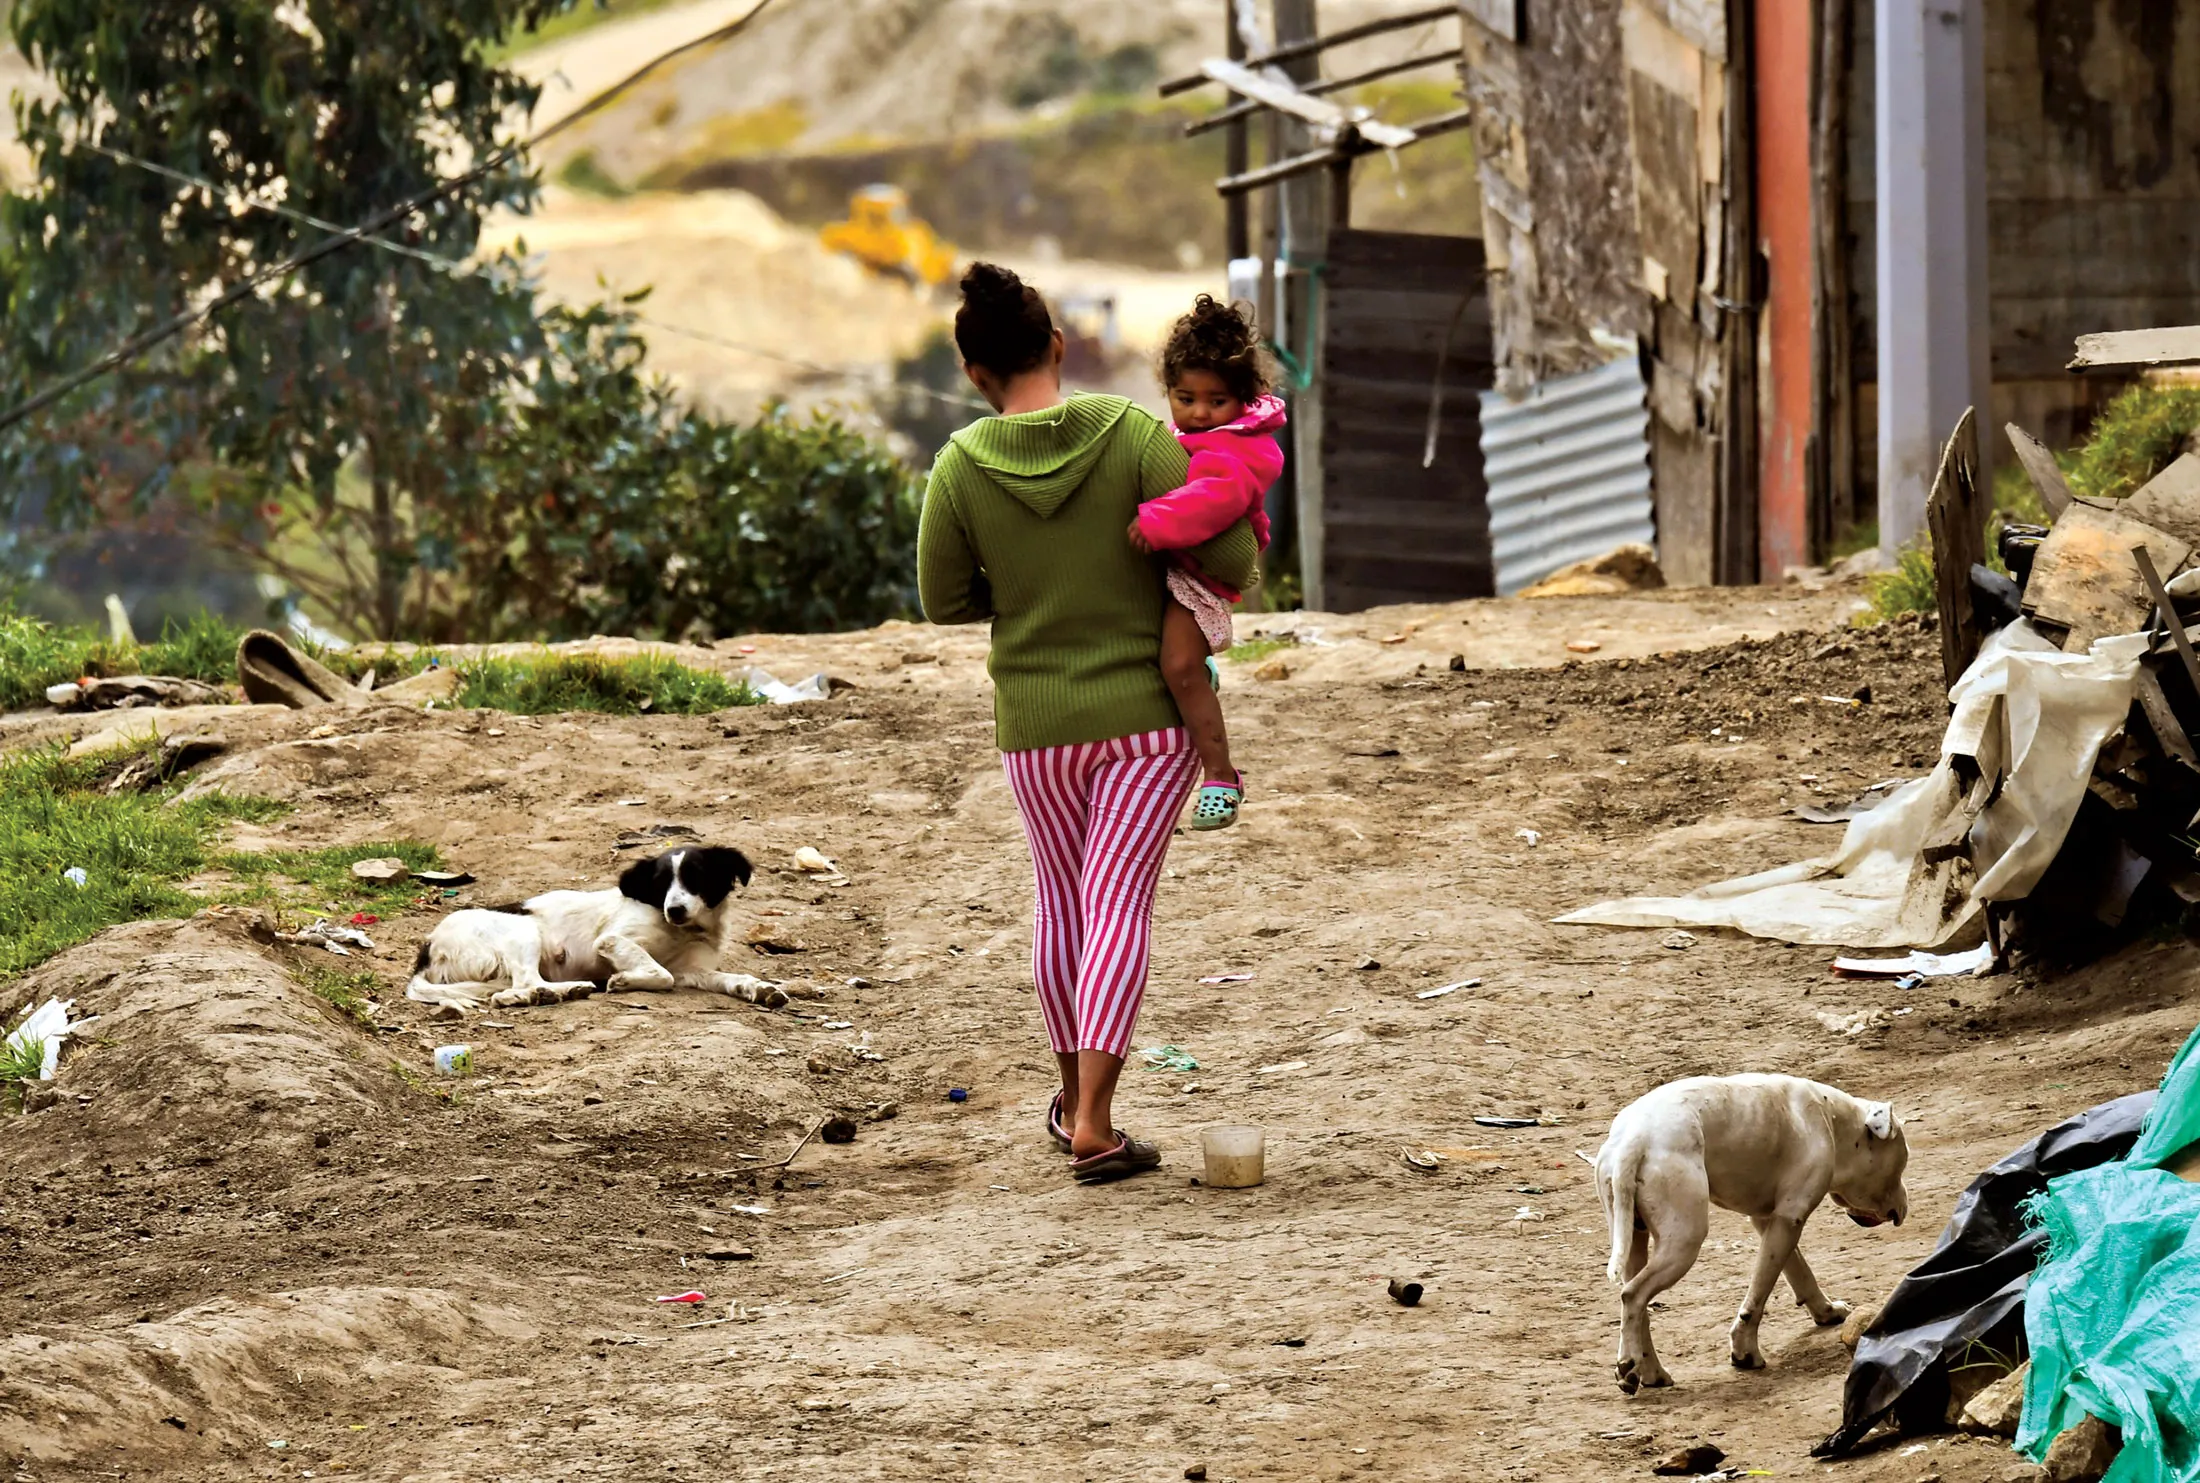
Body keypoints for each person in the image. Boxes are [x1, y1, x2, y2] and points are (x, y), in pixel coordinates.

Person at [917, 263, 1259, 1183]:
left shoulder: (958, 467)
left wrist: (1026, 586)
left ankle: (1074, 1100)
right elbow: (1229, 549)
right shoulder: (1135, 434)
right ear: (1058, 345)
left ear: (971, 368)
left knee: (1063, 902)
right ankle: (1096, 1127)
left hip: (1035, 726)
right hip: (1145, 723)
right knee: (1118, 907)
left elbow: (943, 597)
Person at [1126, 295, 1286, 832]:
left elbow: (1214, 500)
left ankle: (1220, 774)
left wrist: (1154, 521)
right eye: (1184, 397)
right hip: (1179, 562)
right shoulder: (1197, 434)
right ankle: (1201, 673)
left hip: (1201, 574)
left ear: (1244, 398)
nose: (1198, 411)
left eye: (1215, 400)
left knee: (1177, 666)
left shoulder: (1241, 450)